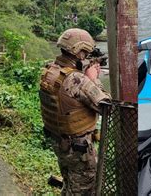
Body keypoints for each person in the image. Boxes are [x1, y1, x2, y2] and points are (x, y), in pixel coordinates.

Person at [39, 28, 110, 195]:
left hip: (59, 141)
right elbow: (106, 106)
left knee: (70, 181)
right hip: (78, 148)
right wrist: (94, 78)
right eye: (85, 52)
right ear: (79, 52)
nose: (85, 56)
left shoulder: (51, 70)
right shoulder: (77, 79)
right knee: (84, 188)